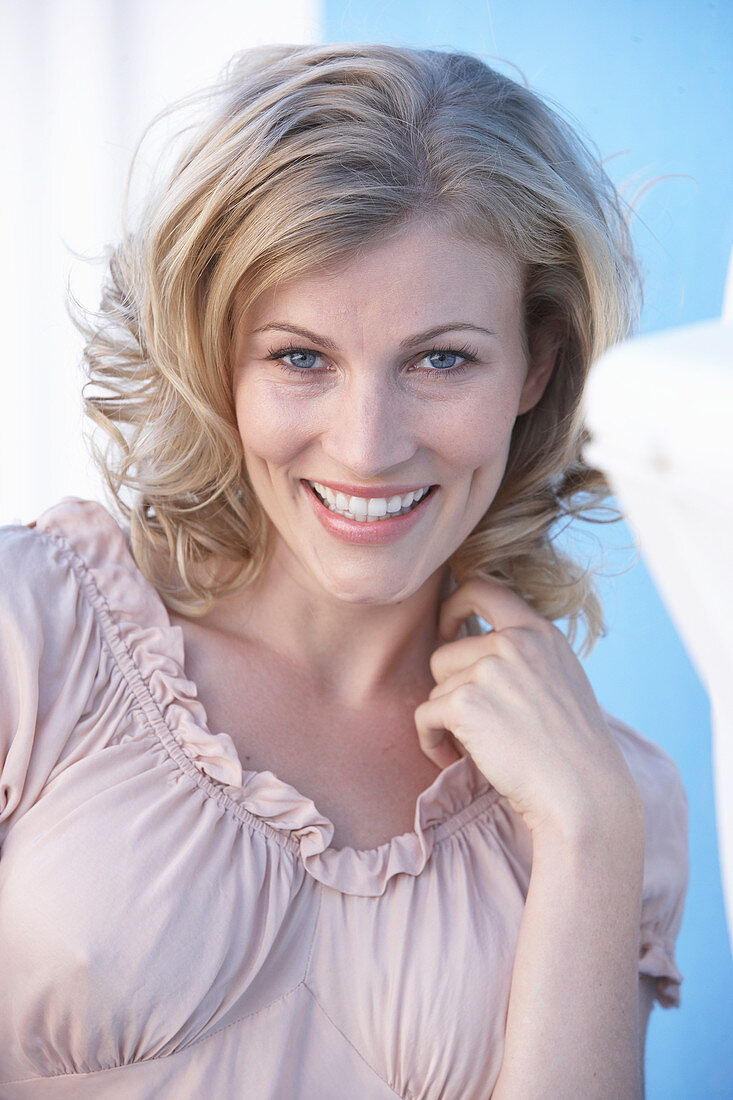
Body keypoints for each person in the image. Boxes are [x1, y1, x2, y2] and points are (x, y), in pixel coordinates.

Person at [0, 42, 687, 1099]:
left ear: (534, 366)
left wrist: (588, 827)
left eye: (441, 358)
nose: (367, 445)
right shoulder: (32, 638)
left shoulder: (613, 795)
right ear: (216, 356)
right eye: (300, 357)